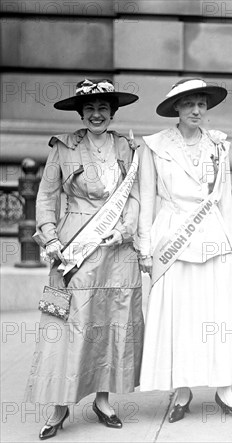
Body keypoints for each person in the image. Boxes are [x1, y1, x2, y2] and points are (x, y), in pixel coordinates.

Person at [24, 79, 143, 439]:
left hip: (116, 249)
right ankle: (60, 405)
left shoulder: (126, 146)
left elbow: (136, 196)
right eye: (89, 108)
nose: (96, 114)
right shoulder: (63, 147)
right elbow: (45, 197)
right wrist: (50, 236)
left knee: (110, 321)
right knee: (68, 327)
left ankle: (103, 400)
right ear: (80, 112)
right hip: (75, 245)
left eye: (103, 108)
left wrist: (125, 229)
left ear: (113, 112)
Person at [137, 78, 232, 422]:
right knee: (180, 317)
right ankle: (183, 391)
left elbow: (224, 202)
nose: (196, 111)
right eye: (189, 104)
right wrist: (145, 246)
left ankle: (225, 391)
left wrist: (231, 243)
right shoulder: (155, 146)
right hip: (173, 239)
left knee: (217, 317)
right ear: (176, 108)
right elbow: (147, 199)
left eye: (201, 104)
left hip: (213, 240)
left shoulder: (218, 145)